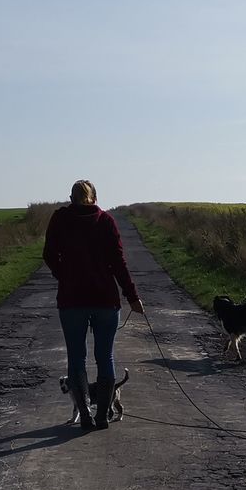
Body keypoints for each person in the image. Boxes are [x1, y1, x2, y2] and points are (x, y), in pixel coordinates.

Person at [42, 179, 144, 431]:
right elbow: (118, 262)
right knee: (105, 357)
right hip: (105, 300)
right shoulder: (106, 221)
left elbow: (48, 254)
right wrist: (132, 297)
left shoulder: (60, 219)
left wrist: (64, 276)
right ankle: (101, 416)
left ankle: (85, 415)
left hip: (71, 300)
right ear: (95, 198)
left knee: (76, 358)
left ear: (71, 197)